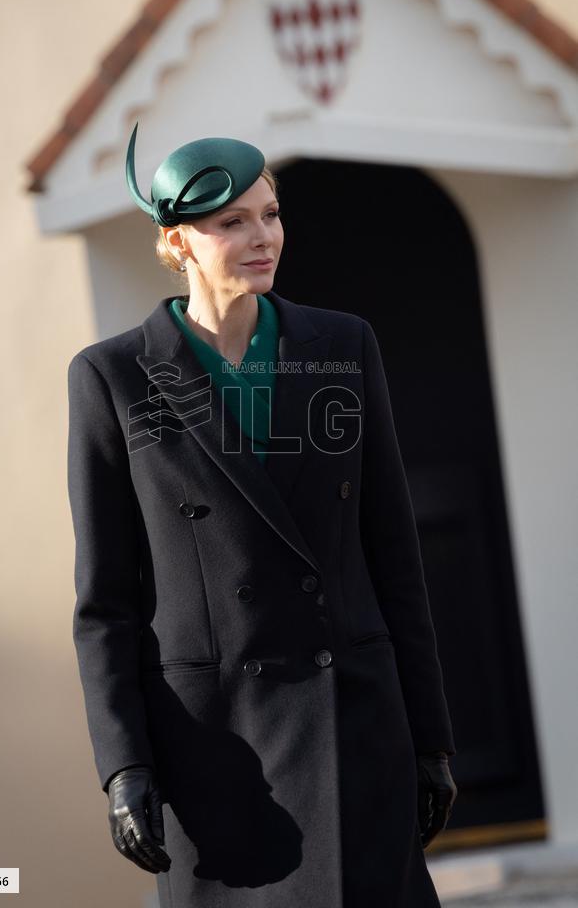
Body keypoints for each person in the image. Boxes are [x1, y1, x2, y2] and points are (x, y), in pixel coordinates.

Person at [67, 123, 458, 908]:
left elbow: (393, 555)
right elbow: (104, 602)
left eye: (270, 214)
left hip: (353, 724)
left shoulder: (342, 346)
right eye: (232, 222)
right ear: (178, 242)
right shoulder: (111, 377)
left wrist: (431, 739)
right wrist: (125, 765)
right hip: (216, 753)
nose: (263, 236)